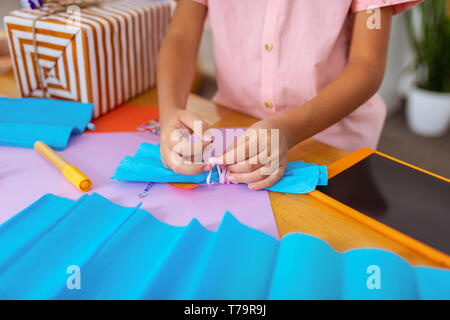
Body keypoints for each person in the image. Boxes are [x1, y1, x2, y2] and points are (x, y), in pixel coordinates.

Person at [157, 0, 422, 190]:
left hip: (334, 142)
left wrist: (287, 130)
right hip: (234, 128)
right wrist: (169, 113)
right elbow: (180, 35)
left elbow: (367, 66)